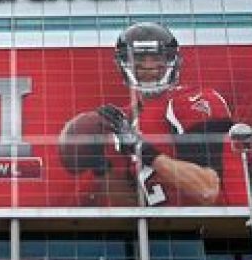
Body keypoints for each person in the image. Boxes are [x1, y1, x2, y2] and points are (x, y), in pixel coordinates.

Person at [57, 22, 232, 206]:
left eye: (156, 57)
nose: (149, 65)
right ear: (123, 64)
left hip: (205, 222)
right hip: (157, 223)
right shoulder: (122, 121)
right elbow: (129, 206)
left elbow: (208, 190)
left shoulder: (192, 101)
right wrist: (102, 167)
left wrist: (143, 150)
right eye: (139, 58)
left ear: (172, 61)